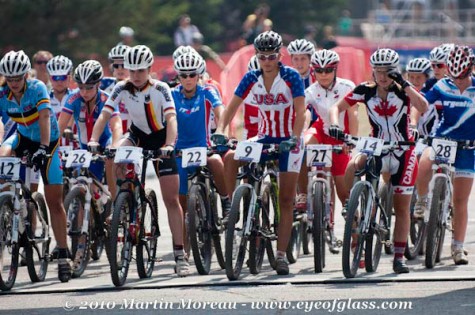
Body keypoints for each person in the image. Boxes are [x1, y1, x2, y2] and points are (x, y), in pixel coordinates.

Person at [88, 45, 190, 276]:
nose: (135, 75)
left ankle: (180, 254)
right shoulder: (121, 87)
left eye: (140, 71)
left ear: (149, 69)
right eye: (131, 70)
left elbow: (171, 119)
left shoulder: (161, 88)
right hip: (137, 135)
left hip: (161, 138)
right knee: (115, 156)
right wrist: (94, 139)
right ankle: (123, 201)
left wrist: (169, 145)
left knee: (171, 199)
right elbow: (105, 114)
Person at [212, 31, 306, 275]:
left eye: (272, 56)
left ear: (279, 55)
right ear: (257, 56)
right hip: (263, 138)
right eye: (262, 56)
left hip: (289, 140)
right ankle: (233, 208)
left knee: (286, 200)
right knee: (231, 157)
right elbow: (230, 108)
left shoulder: (291, 77)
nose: (267, 61)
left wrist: (294, 138)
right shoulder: (250, 78)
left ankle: (282, 255)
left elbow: (301, 112)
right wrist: (221, 131)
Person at [329, 48, 428, 274]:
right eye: (377, 72)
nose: (382, 77)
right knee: (353, 165)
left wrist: (403, 82)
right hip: (378, 146)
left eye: (387, 72)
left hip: (403, 150)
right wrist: (335, 124)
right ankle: (351, 207)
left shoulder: (404, 91)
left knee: (401, 207)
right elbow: (337, 107)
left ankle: (399, 257)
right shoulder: (365, 90)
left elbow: (423, 107)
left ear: (395, 72)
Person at [0, 50, 71, 282]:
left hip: (47, 140)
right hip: (22, 138)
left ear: (25, 75)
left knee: (54, 200)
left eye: (17, 79)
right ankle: (8, 206)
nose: (13, 84)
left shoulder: (38, 87)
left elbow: (43, 118)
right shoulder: (3, 93)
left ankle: (62, 254)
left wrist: (42, 147)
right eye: (9, 79)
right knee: (3, 154)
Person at [414, 46, 475, 265]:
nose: (459, 81)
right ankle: (422, 201)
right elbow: (421, 104)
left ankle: (457, 247)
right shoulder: (441, 85)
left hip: (468, 148)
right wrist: (413, 123)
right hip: (443, 140)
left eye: (464, 76)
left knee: (460, 200)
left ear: (471, 69)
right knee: (422, 163)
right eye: (454, 76)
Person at [296, 50, 357, 249]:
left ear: (335, 69)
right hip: (321, 133)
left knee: (343, 193)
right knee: (301, 147)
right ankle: (305, 194)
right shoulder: (311, 91)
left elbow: (353, 114)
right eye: (319, 70)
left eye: (328, 70)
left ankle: (357, 240)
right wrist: (300, 131)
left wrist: (351, 140)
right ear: (313, 71)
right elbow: (303, 112)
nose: (323, 74)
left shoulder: (347, 86)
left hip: (341, 138)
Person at [171, 52, 230, 244]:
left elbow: (220, 112)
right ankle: (184, 250)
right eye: (183, 75)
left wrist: (222, 132)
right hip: (179, 151)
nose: (188, 79)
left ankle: (226, 201)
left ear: (199, 75)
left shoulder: (208, 91)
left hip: (203, 147)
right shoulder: (171, 94)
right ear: (178, 76)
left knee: (215, 161)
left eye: (192, 75)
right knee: (181, 203)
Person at [59, 60, 120, 202]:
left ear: (98, 84)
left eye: (89, 88)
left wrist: (114, 145)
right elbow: (59, 126)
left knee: (111, 161)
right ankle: (82, 222)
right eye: (80, 87)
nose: (84, 92)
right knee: (83, 189)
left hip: (105, 142)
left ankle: (115, 202)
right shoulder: (73, 98)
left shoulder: (106, 98)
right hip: (85, 145)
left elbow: (116, 125)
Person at [101, 45, 130, 133]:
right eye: (116, 65)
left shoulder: (139, 87)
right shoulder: (103, 84)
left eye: (124, 65)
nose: (120, 69)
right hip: (110, 137)